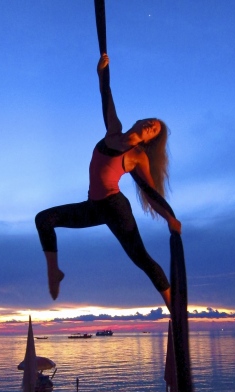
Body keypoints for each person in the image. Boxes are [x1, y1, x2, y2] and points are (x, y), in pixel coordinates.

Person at [35, 53, 181, 310]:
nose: (150, 125)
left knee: (141, 258)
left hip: (115, 208)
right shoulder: (113, 129)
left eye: (154, 129)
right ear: (137, 121)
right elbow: (106, 97)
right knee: (43, 219)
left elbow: (150, 193)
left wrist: (169, 217)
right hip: (92, 206)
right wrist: (101, 72)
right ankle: (53, 272)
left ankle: (173, 306)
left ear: (149, 141)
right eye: (149, 121)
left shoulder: (136, 158)